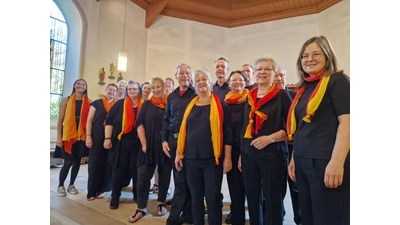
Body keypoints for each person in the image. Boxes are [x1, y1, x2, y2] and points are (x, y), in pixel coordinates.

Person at [287, 36, 350, 225]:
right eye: (304, 56)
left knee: (329, 217)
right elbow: (301, 127)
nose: (309, 59)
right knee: (308, 215)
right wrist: (293, 158)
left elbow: (348, 122)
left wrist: (337, 162)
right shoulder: (305, 87)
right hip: (303, 160)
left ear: (327, 55)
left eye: (316, 54)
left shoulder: (337, 80)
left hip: (326, 161)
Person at [175, 68, 233, 225]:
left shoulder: (220, 105)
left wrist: (227, 158)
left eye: (204, 79)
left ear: (210, 82)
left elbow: (228, 134)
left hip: (212, 160)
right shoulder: (190, 105)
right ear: (194, 84)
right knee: (196, 196)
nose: (201, 82)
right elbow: (183, 132)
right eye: (198, 80)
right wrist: (178, 154)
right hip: (190, 158)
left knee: (213, 197)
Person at [239, 57, 292, 225]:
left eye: (267, 69)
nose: (262, 72)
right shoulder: (249, 96)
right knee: (253, 199)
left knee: (273, 199)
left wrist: (269, 139)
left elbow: (292, 128)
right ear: (254, 73)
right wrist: (242, 154)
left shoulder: (282, 95)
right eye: (259, 69)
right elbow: (244, 127)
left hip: (273, 156)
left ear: (273, 73)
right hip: (249, 156)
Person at [128, 77, 171, 223]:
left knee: (165, 175)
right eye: (153, 87)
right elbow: (139, 123)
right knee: (143, 177)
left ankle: (161, 203)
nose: (156, 90)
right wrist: (144, 142)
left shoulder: (169, 103)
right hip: (148, 145)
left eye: (158, 87)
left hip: (165, 146)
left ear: (164, 87)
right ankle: (141, 208)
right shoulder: (146, 105)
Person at [162, 63, 196, 225]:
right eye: (181, 73)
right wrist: (164, 140)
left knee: (186, 180)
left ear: (191, 75)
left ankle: (174, 217)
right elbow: (166, 119)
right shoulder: (172, 96)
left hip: (190, 142)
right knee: (179, 178)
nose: (184, 75)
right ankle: (187, 215)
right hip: (173, 140)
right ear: (176, 76)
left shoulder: (196, 94)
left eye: (187, 73)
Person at [104, 80, 145, 210]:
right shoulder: (120, 104)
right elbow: (109, 121)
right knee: (118, 170)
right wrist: (107, 138)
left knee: (137, 171)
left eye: (135, 89)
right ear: (127, 91)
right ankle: (115, 197)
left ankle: (137, 196)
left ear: (139, 91)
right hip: (122, 143)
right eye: (130, 89)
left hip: (139, 143)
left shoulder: (144, 105)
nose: (132, 91)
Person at [53, 78, 91, 197]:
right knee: (67, 162)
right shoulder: (66, 100)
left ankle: (71, 184)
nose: (81, 86)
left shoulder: (89, 102)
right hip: (68, 136)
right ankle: (60, 185)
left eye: (83, 84)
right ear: (74, 86)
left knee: (77, 162)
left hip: (81, 136)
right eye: (78, 84)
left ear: (86, 87)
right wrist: (59, 138)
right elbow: (60, 121)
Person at [273, 66, 301, 224]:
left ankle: (299, 219)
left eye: (281, 75)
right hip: (276, 147)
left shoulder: (294, 96)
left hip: (292, 147)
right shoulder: (270, 98)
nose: (278, 78)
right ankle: (279, 215)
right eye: (276, 76)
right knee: (277, 187)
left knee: (295, 186)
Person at [85, 83, 117, 201]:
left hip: (111, 136)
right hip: (97, 134)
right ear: (106, 90)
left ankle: (102, 189)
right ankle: (91, 191)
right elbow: (89, 121)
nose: (111, 92)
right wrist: (88, 136)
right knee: (95, 164)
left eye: (114, 91)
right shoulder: (97, 103)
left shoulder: (117, 105)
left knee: (107, 164)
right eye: (110, 90)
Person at [224, 70, 248, 225]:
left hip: (247, 150)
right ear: (229, 83)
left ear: (245, 82)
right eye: (234, 80)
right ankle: (237, 219)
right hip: (229, 150)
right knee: (235, 188)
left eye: (240, 80)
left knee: (251, 187)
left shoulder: (250, 102)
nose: (237, 83)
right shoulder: (224, 103)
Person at [149, 77, 176, 195]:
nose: (156, 89)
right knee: (157, 165)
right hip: (155, 137)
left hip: (168, 137)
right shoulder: (150, 102)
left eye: (170, 84)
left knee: (167, 167)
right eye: (153, 87)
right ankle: (156, 183)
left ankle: (166, 188)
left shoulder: (171, 100)